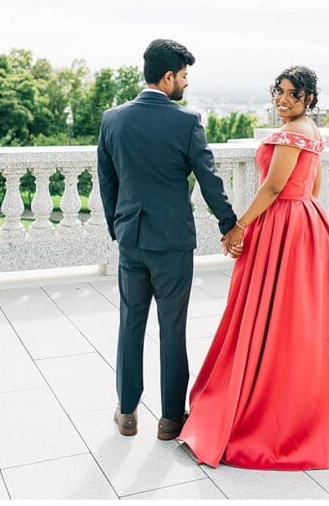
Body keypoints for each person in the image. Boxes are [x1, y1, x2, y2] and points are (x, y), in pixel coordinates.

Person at [179, 67, 329, 469]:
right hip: (309, 223)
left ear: (309, 99)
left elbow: (272, 187)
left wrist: (239, 226)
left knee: (271, 312)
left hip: (283, 223)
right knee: (302, 314)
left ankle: (268, 401)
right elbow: (313, 187)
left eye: (293, 94)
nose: (282, 100)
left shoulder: (290, 133)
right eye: (279, 92)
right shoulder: (314, 132)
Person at [98, 39, 244, 440]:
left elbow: (106, 181)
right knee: (172, 328)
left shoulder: (112, 120)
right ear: (167, 77)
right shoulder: (187, 122)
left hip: (132, 238)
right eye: (183, 77)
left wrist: (119, 227)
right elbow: (209, 180)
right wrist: (228, 224)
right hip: (173, 242)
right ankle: (170, 419)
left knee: (130, 324)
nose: (185, 84)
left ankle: (127, 413)